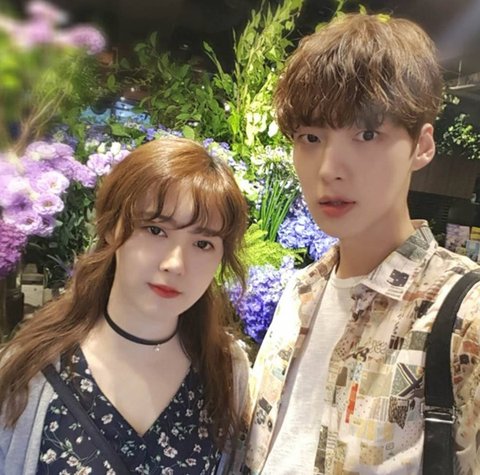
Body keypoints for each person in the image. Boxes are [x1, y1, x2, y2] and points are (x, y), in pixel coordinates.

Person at [240, 13, 480, 474]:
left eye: (367, 134)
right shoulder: (301, 293)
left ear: (421, 146)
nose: (330, 168)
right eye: (311, 137)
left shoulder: (463, 317)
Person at [0, 137, 251, 474]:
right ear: (112, 228)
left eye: (203, 243)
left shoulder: (226, 372)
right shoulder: (28, 371)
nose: (175, 264)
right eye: (155, 230)